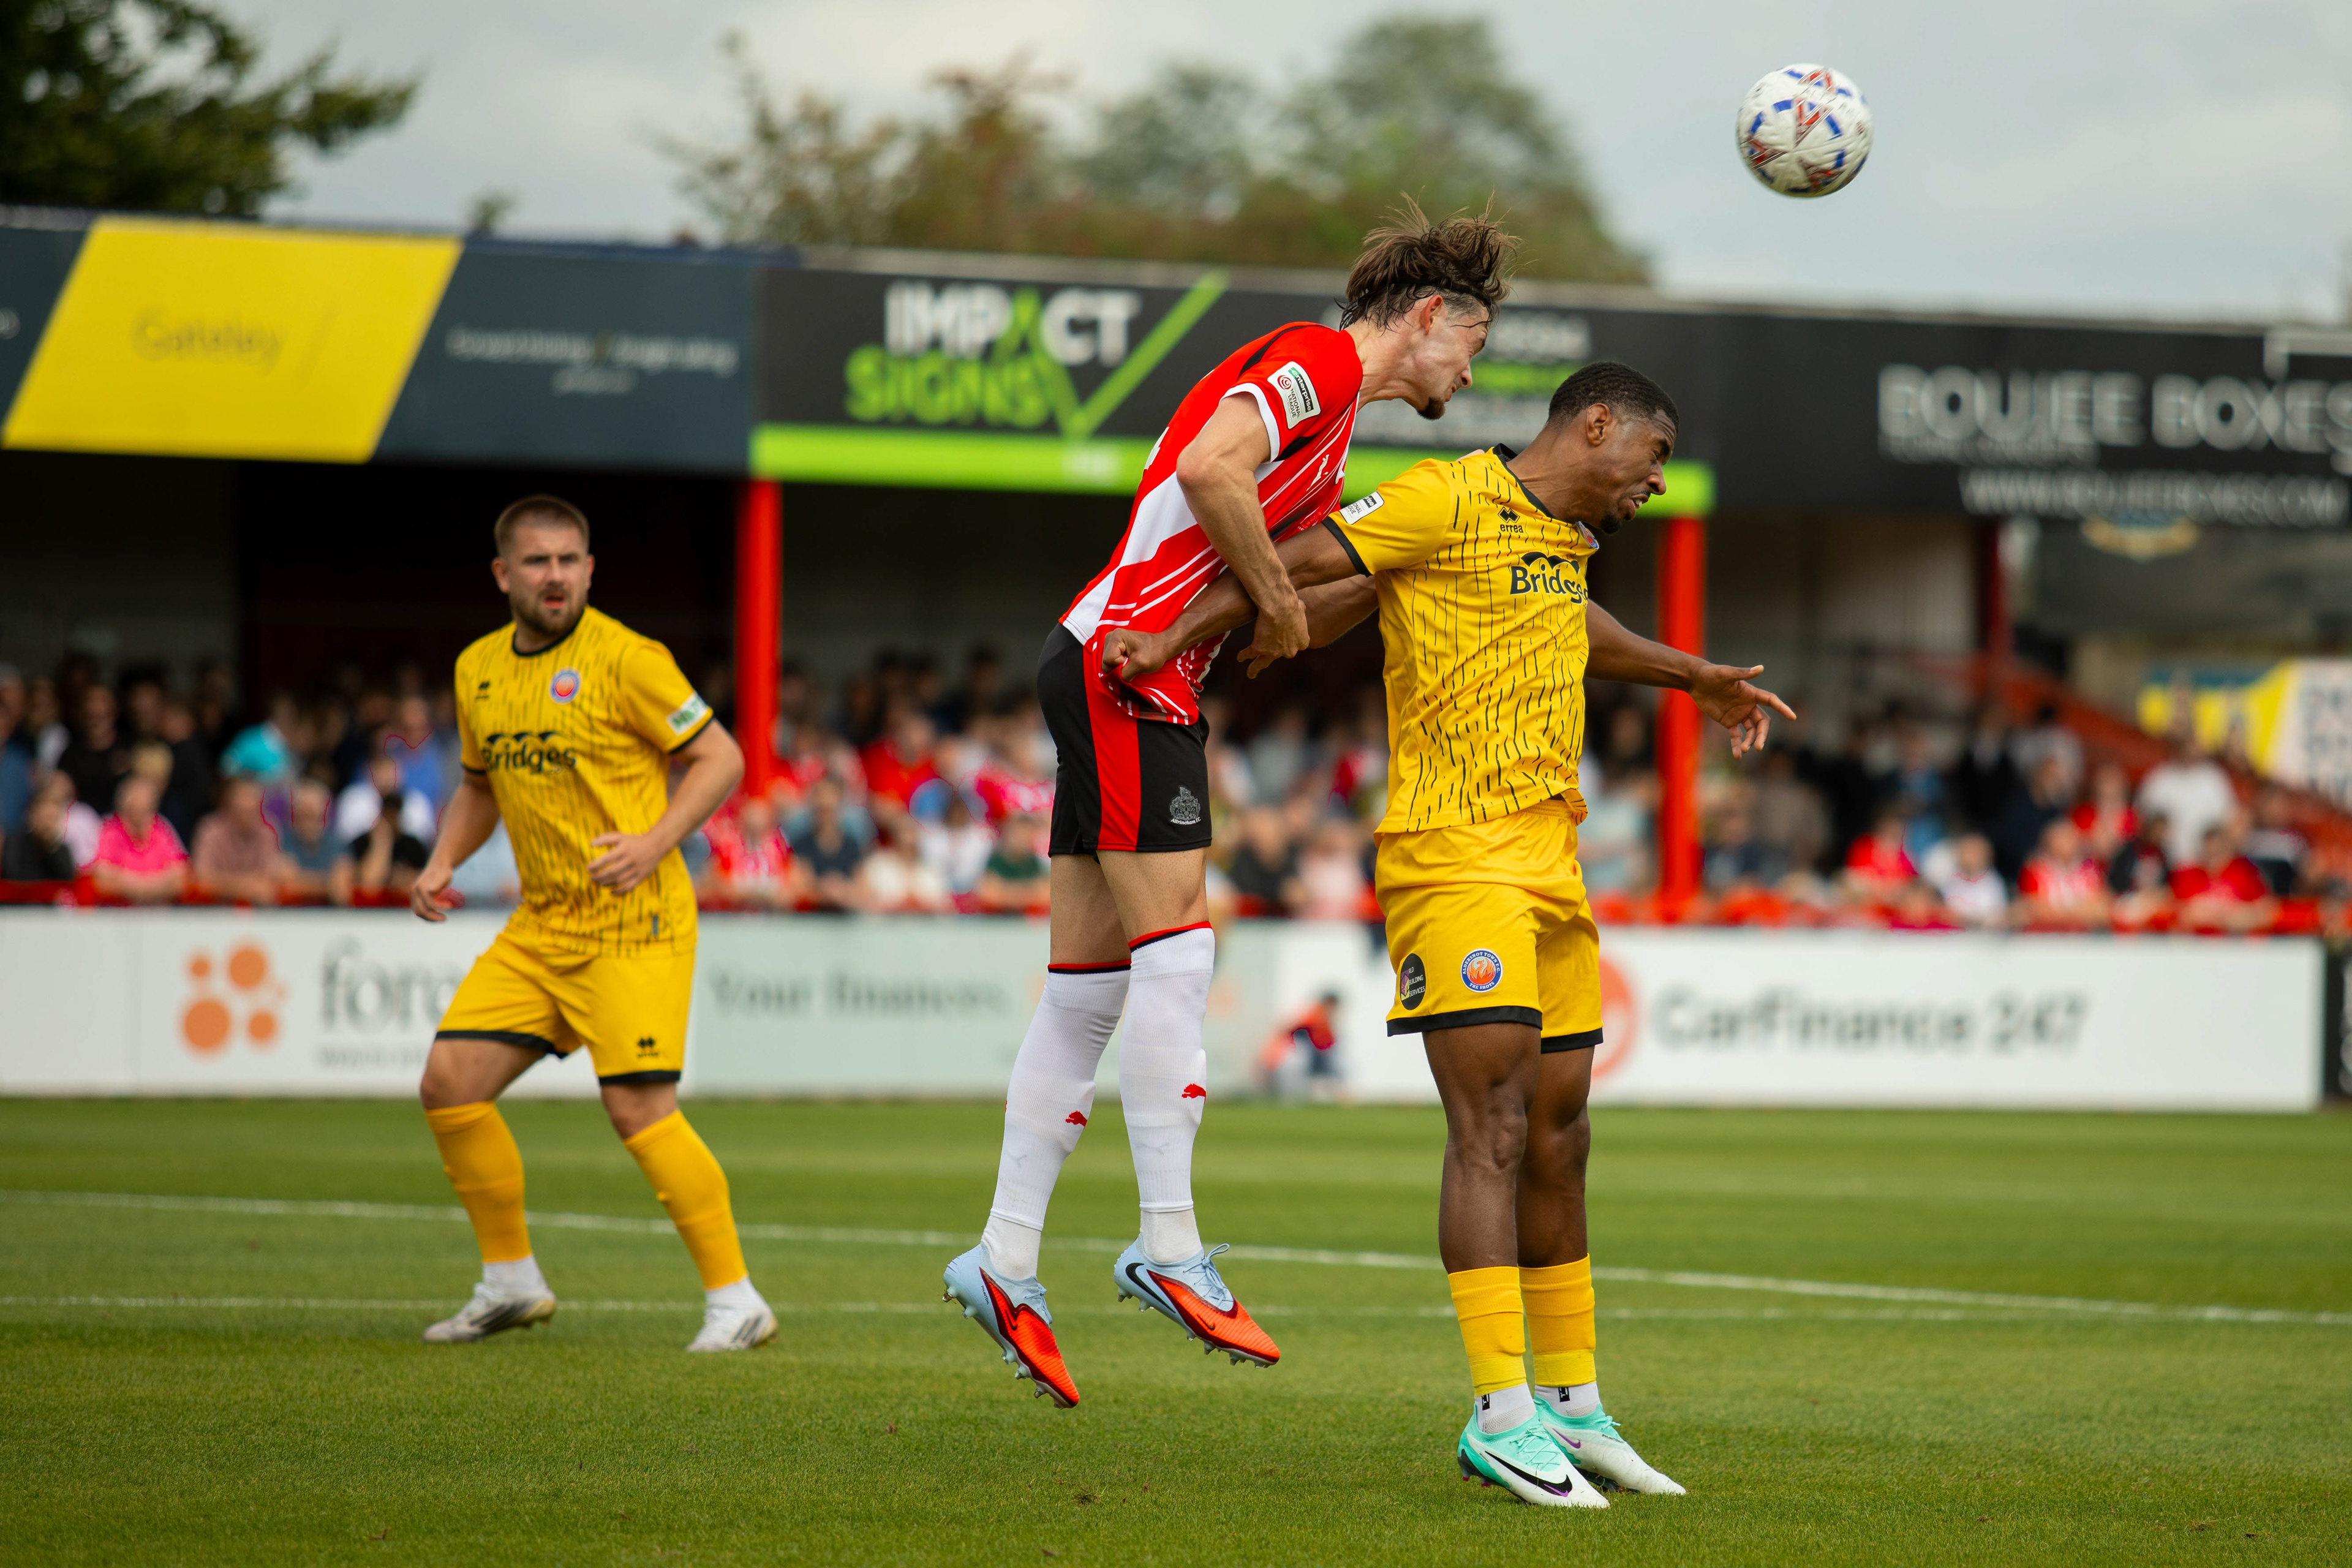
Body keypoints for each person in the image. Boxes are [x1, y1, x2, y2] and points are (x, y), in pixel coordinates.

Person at [1118, 360, 1790, 1502]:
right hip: (1453, 854)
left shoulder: (1561, 540)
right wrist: (1177, 635)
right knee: (1488, 1126)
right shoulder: (1444, 496)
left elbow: (1573, 626)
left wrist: (1692, 678)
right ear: (1596, 425)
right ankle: (1499, 1412)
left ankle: (1573, 1406)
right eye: (1653, 457)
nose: (1656, 485)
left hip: (1551, 860)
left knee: (1561, 1134)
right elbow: (1304, 559)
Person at [941, 207, 1520, 1406]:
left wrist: (1325, 589)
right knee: (1178, 955)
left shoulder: (1339, 416)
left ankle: (1003, 1258)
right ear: (1428, 317)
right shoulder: (1311, 362)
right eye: (1472, 345)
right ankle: (1168, 1243)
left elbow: (1298, 563)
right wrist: (1273, 594)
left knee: (1089, 988)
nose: (1471, 372)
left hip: (1120, 664)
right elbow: (1212, 471)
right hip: (1126, 670)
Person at [407, 495, 772, 1353]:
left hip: (634, 920)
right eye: (537, 562)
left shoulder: (628, 659)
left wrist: (653, 844)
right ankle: (510, 1282)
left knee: (638, 1109)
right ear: (503, 575)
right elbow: (478, 784)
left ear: (591, 569)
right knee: (449, 1084)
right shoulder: (477, 669)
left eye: (570, 559)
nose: (556, 575)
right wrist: (441, 861)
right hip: (544, 925)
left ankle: (738, 1300)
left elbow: (721, 756)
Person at [2136, 731, 2237, 870]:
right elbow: (2143, 820)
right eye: (2187, 745)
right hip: (2164, 864)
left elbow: (2229, 822)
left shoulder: (2214, 780)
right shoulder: (2160, 778)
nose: (2192, 750)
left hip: (2204, 866)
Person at [90, 773, 187, 903]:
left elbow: (180, 880)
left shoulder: (162, 828)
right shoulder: (109, 831)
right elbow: (102, 881)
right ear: (123, 810)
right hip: (116, 916)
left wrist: (128, 882)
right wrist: (157, 883)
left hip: (159, 915)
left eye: (145, 812)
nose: (140, 820)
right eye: (134, 813)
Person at [189, 774, 282, 905]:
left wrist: (221, 882)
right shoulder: (210, 831)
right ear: (228, 807)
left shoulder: (269, 831)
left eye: (251, 811)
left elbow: (270, 884)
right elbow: (202, 881)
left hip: (259, 915)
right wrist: (248, 888)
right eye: (241, 811)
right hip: (214, 914)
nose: (245, 817)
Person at [788, 777, 867, 911]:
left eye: (829, 809)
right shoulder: (801, 845)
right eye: (822, 809)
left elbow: (862, 890)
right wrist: (824, 891)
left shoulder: (852, 846)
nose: (825, 816)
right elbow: (797, 889)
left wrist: (842, 891)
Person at [2016, 818, 2109, 930]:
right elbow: (2035, 910)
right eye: (2063, 837)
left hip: (2081, 940)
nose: (2069, 842)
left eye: (2071, 837)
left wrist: (2060, 912)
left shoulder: (2089, 869)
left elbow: (2102, 909)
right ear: (2050, 841)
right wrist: (2080, 912)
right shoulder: (2035, 870)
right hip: (2042, 940)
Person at [276, 780, 344, 902]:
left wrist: (303, 880)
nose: (308, 814)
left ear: (323, 812)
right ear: (294, 812)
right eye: (303, 811)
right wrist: (328, 883)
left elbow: (342, 887)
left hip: (330, 915)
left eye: (312, 811)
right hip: (291, 915)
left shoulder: (336, 842)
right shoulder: (282, 839)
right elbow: (288, 884)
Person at [1, 778, 77, 881]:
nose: (47, 824)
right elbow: (13, 875)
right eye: (44, 818)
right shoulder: (15, 843)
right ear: (33, 816)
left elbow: (67, 878)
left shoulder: (61, 850)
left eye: (52, 819)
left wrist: (50, 848)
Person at [975, 813, 1051, 913]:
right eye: (1018, 833)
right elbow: (987, 894)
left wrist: (1006, 892)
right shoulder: (997, 859)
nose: (1022, 839)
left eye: (1026, 834)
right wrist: (1027, 893)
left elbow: (1045, 895)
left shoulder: (1034, 861)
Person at [1931, 832, 2008, 929]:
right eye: (1966, 852)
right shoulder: (1949, 878)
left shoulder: (1993, 882)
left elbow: (1996, 917)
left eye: (1974, 853)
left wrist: (1967, 919)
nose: (1969, 857)